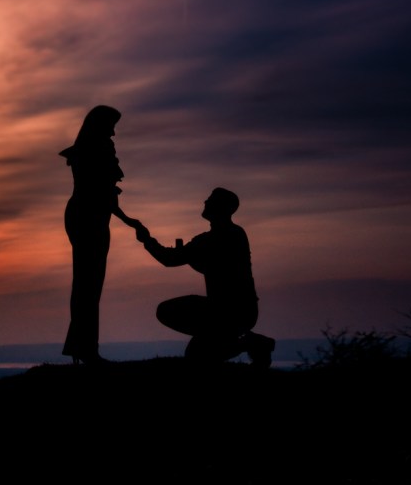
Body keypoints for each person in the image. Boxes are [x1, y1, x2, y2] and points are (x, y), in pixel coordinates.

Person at [135, 187, 275, 365]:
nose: (205, 202)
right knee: (195, 357)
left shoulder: (211, 239)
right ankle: (246, 342)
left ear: (220, 207)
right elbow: (220, 268)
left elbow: (169, 260)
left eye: (210, 200)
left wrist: (147, 240)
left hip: (227, 312)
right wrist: (190, 256)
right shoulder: (236, 234)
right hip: (243, 312)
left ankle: (247, 342)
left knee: (165, 311)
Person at [61, 105, 140, 364]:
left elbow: (102, 193)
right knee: (90, 285)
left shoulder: (86, 148)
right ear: (101, 125)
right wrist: (130, 221)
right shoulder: (100, 148)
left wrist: (127, 219)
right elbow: (102, 193)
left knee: (85, 284)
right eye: (111, 126)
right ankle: (86, 350)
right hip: (90, 218)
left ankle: (81, 348)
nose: (114, 133)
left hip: (82, 215)